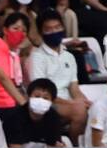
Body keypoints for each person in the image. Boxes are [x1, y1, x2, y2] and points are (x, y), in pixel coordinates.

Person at [28, 10, 88, 138]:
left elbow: (74, 87)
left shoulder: (69, 56)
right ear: (41, 32)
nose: (54, 32)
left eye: (57, 27)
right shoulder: (37, 57)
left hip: (68, 103)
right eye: (49, 29)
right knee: (79, 111)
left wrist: (83, 100)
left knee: (95, 108)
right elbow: (42, 92)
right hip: (48, 102)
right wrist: (72, 104)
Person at [6, 78, 67, 148]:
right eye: (37, 96)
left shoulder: (53, 117)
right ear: (28, 97)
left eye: (45, 98)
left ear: (52, 102)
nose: (40, 100)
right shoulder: (14, 116)